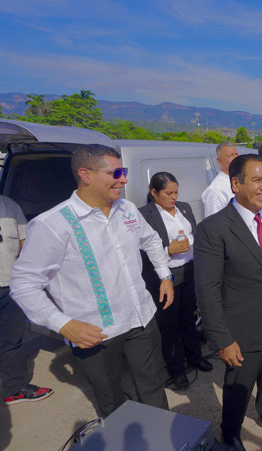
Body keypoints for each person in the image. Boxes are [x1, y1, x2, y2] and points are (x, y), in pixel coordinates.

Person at [10, 144, 174, 417]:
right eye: (116, 173)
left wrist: (164, 275)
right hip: (94, 334)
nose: (124, 179)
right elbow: (23, 285)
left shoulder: (128, 210)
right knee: (112, 402)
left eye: (124, 171)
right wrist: (63, 324)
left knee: (153, 389)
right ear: (86, 174)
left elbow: (152, 240)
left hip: (142, 320)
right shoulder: (53, 224)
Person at [194, 154, 262, 450]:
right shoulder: (213, 229)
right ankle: (230, 431)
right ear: (236, 183)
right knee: (238, 386)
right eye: (257, 180)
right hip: (243, 328)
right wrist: (221, 339)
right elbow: (207, 290)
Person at [139, 172, 213, 390]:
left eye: (176, 192)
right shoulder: (144, 214)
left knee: (188, 318)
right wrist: (168, 250)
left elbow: (194, 232)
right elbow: (139, 252)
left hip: (190, 270)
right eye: (168, 193)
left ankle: (195, 357)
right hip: (166, 276)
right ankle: (175, 369)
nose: (173, 197)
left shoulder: (183, 208)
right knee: (169, 324)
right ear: (154, 192)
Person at [1, 196, 53, 406]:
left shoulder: (9, 205)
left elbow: (25, 242)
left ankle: (14, 388)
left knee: (10, 338)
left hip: (9, 285)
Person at [202, 142, 239, 217]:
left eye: (236, 154)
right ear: (219, 161)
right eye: (230, 155)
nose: (235, 158)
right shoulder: (216, 190)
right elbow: (214, 224)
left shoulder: (241, 180)